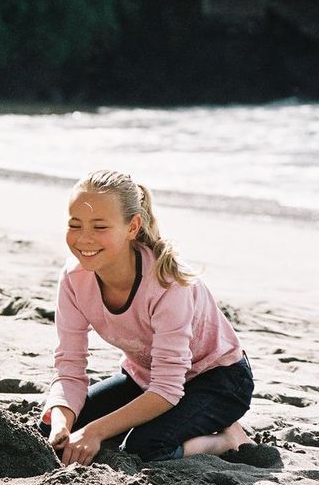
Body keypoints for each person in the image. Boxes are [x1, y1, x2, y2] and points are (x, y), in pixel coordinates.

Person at [42, 169, 256, 465]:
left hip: (220, 380)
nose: (84, 238)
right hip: (148, 378)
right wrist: (61, 424)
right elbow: (69, 366)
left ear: (132, 227)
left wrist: (94, 431)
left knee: (144, 449)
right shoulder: (73, 278)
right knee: (50, 432)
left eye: (100, 226)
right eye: (74, 225)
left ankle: (227, 439)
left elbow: (168, 388)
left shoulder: (168, 283)